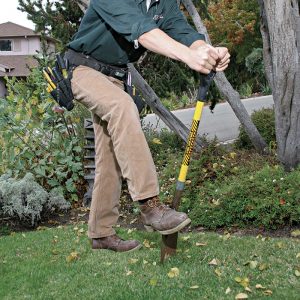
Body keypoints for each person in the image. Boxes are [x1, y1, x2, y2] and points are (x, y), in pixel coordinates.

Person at [65, 0, 230, 252]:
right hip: (81, 68)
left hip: (115, 76)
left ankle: (101, 233)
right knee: (122, 107)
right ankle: (150, 206)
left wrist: (206, 50)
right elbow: (140, 29)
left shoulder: (164, 4)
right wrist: (188, 56)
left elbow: (185, 33)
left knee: (110, 157)